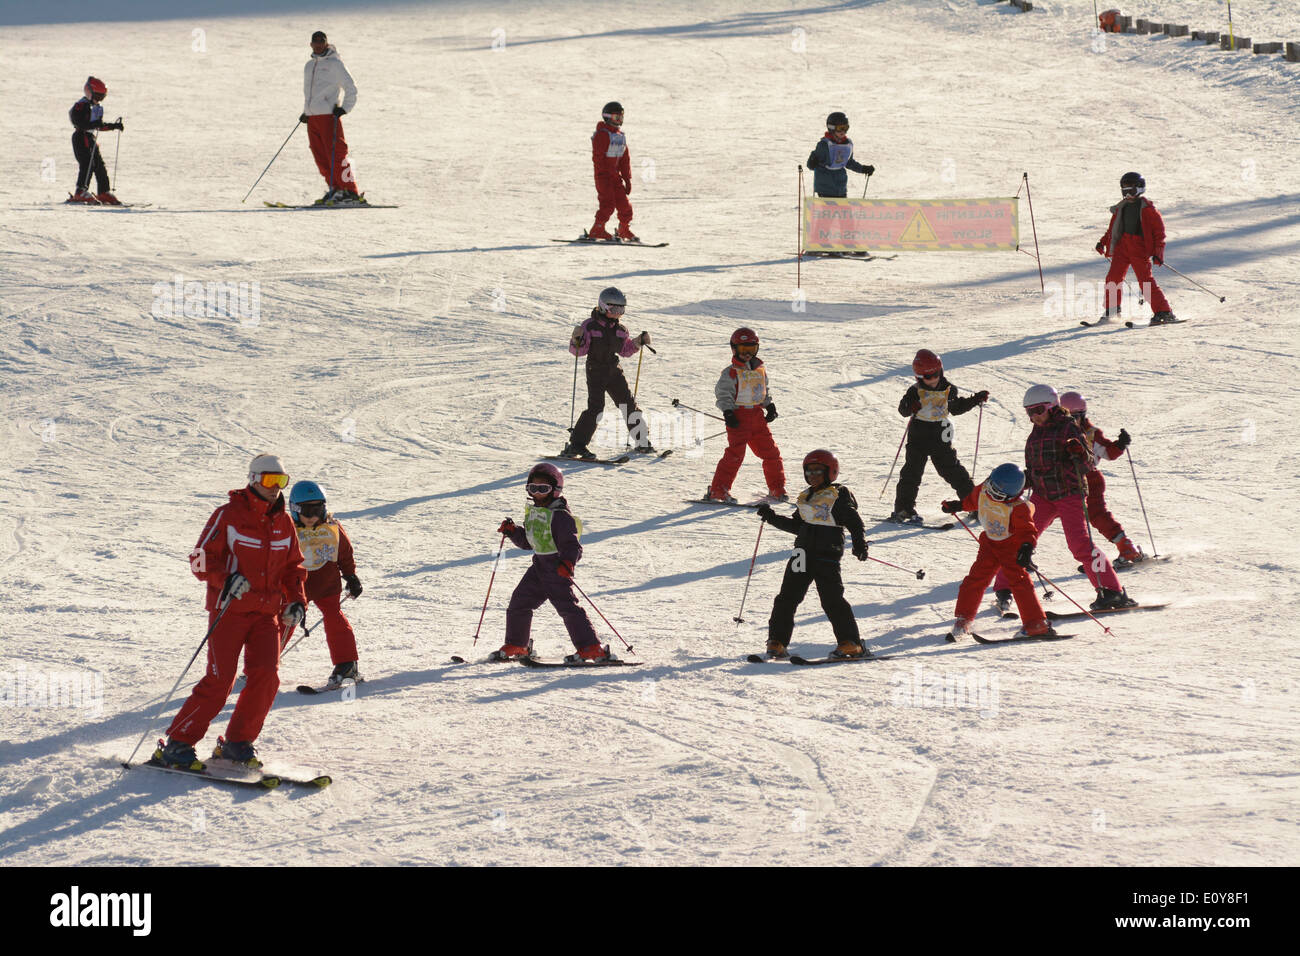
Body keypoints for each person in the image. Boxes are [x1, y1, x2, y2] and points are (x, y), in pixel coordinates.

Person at [155, 454, 307, 770]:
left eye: (282, 482)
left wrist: (297, 600)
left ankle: (238, 743)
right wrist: (226, 579)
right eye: (269, 481)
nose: (276, 488)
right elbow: (198, 559)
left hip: (268, 614)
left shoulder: (284, 522)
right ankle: (178, 744)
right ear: (253, 480)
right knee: (220, 679)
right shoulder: (227, 516)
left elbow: (294, 568)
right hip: (229, 611)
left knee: (267, 676)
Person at [992, 385, 1137, 611]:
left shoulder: (1068, 428)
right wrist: (1015, 486)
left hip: (1069, 494)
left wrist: (1078, 453)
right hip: (1042, 495)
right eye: (1029, 412)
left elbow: (1089, 462)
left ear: (1052, 407)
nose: (1034, 416)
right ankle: (1005, 587)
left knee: (1080, 546)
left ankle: (1112, 592)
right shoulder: (1036, 433)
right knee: (1020, 539)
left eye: (1038, 410)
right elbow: (1034, 469)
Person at [756, 450, 870, 658]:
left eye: (818, 471)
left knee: (832, 600)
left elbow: (853, 520)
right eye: (809, 472)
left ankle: (851, 643)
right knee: (786, 598)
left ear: (831, 472)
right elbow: (797, 527)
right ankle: (777, 642)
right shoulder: (806, 496)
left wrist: (860, 543)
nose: (813, 475)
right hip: (801, 554)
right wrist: (771, 517)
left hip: (826, 555)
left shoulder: (838, 494)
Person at [494, 464, 608, 662]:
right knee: (519, 603)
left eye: (543, 489)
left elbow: (572, 545)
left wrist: (567, 563)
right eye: (533, 488)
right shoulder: (536, 513)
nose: (537, 494)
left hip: (557, 569)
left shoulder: (561, 516)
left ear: (555, 490)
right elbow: (530, 542)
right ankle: (518, 644)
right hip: (539, 568)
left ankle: (591, 647)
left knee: (568, 608)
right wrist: (513, 532)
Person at [942, 463, 1056, 640]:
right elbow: (973, 500)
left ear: (1012, 495)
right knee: (975, 579)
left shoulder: (1018, 507)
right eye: (992, 489)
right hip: (989, 543)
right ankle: (964, 618)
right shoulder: (984, 489)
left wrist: (1026, 548)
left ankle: (1036, 624)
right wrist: (958, 505)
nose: (992, 495)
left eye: (999, 495)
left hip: (1010, 546)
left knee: (1019, 582)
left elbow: (1027, 530)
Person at [889, 349, 987, 524]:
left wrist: (974, 400)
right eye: (928, 377)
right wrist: (910, 406)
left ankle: (974, 505)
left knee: (953, 471)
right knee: (911, 473)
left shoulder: (949, 390)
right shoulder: (914, 391)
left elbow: (956, 408)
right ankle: (904, 509)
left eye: (936, 374)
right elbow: (902, 409)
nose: (933, 379)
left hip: (940, 437)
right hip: (918, 437)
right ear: (919, 378)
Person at [561, 286, 653, 459]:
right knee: (596, 407)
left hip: (613, 370)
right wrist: (576, 340)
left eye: (622, 309)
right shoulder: (589, 326)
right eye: (615, 309)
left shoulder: (621, 329)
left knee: (627, 403)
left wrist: (638, 342)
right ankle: (577, 445)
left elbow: (624, 350)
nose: (619, 313)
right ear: (603, 307)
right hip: (595, 369)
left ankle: (643, 441)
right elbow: (579, 352)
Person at [288, 480, 364, 687]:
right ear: (294, 509)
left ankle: (346, 664)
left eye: (318, 509)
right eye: (307, 510)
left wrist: (350, 576)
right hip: (296, 584)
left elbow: (345, 552)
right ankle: (262, 664)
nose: (313, 515)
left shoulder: (332, 527)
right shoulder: (287, 528)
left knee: (334, 618)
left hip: (326, 582)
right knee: (286, 620)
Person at [1058, 392, 1145, 567]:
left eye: (1075, 417)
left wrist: (1120, 444)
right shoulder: (1056, 432)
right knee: (1070, 520)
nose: (1070, 421)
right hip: (1064, 481)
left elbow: (1108, 453)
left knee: (1096, 515)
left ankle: (1126, 547)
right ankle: (1090, 555)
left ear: (1082, 415)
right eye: (1065, 416)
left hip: (1090, 480)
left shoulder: (1091, 434)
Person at [705, 328, 786, 504]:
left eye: (752, 350)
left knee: (771, 453)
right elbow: (723, 394)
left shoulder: (760, 370)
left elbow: (762, 391)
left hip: (757, 417)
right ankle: (718, 490)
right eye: (743, 350)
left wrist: (769, 405)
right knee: (735, 455)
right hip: (738, 417)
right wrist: (728, 412)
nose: (748, 354)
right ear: (734, 349)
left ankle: (777, 487)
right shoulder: (731, 372)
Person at [1095, 171, 1176, 324]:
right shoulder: (1121, 208)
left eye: (1131, 189)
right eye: (1124, 189)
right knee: (1113, 278)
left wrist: (1158, 252)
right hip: (1122, 247)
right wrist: (1103, 242)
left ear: (1139, 189)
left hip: (1139, 247)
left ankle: (1164, 312)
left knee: (1145, 281)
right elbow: (1113, 229)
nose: (1128, 193)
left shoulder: (1148, 209)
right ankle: (1112, 310)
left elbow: (1159, 233)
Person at [301, 31, 363, 204]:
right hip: (313, 117)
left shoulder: (335, 64)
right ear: (311, 44)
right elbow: (310, 92)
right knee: (319, 155)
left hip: (329, 116)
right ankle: (335, 189)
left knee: (336, 154)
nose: (319, 44)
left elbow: (351, 87)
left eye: (322, 41)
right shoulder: (309, 65)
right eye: (316, 41)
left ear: (326, 43)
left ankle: (350, 192)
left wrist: (344, 108)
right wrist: (307, 111)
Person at [68, 76, 123, 204]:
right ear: (89, 93)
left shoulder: (97, 108)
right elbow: (79, 122)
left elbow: (98, 125)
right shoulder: (80, 106)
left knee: (99, 165)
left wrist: (113, 126)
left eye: (101, 97)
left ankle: (104, 192)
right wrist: (93, 125)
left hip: (90, 138)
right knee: (87, 164)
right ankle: (80, 191)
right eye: (97, 96)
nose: (99, 100)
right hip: (80, 137)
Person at [586, 101, 636, 241]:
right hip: (604, 176)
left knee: (625, 206)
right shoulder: (603, 134)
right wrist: (604, 173)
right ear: (607, 117)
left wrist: (627, 178)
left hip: (615, 177)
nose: (619, 121)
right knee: (607, 204)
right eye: (616, 118)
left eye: (621, 117)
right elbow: (598, 157)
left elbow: (625, 159)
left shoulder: (620, 136)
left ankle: (624, 229)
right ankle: (597, 229)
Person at [805, 111, 874, 198]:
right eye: (840, 128)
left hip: (841, 187)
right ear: (832, 128)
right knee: (829, 210)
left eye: (845, 128)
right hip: (825, 189)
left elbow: (848, 163)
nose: (843, 131)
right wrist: (812, 161)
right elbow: (811, 166)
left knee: (842, 211)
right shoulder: (824, 145)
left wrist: (863, 169)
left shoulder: (847, 144)